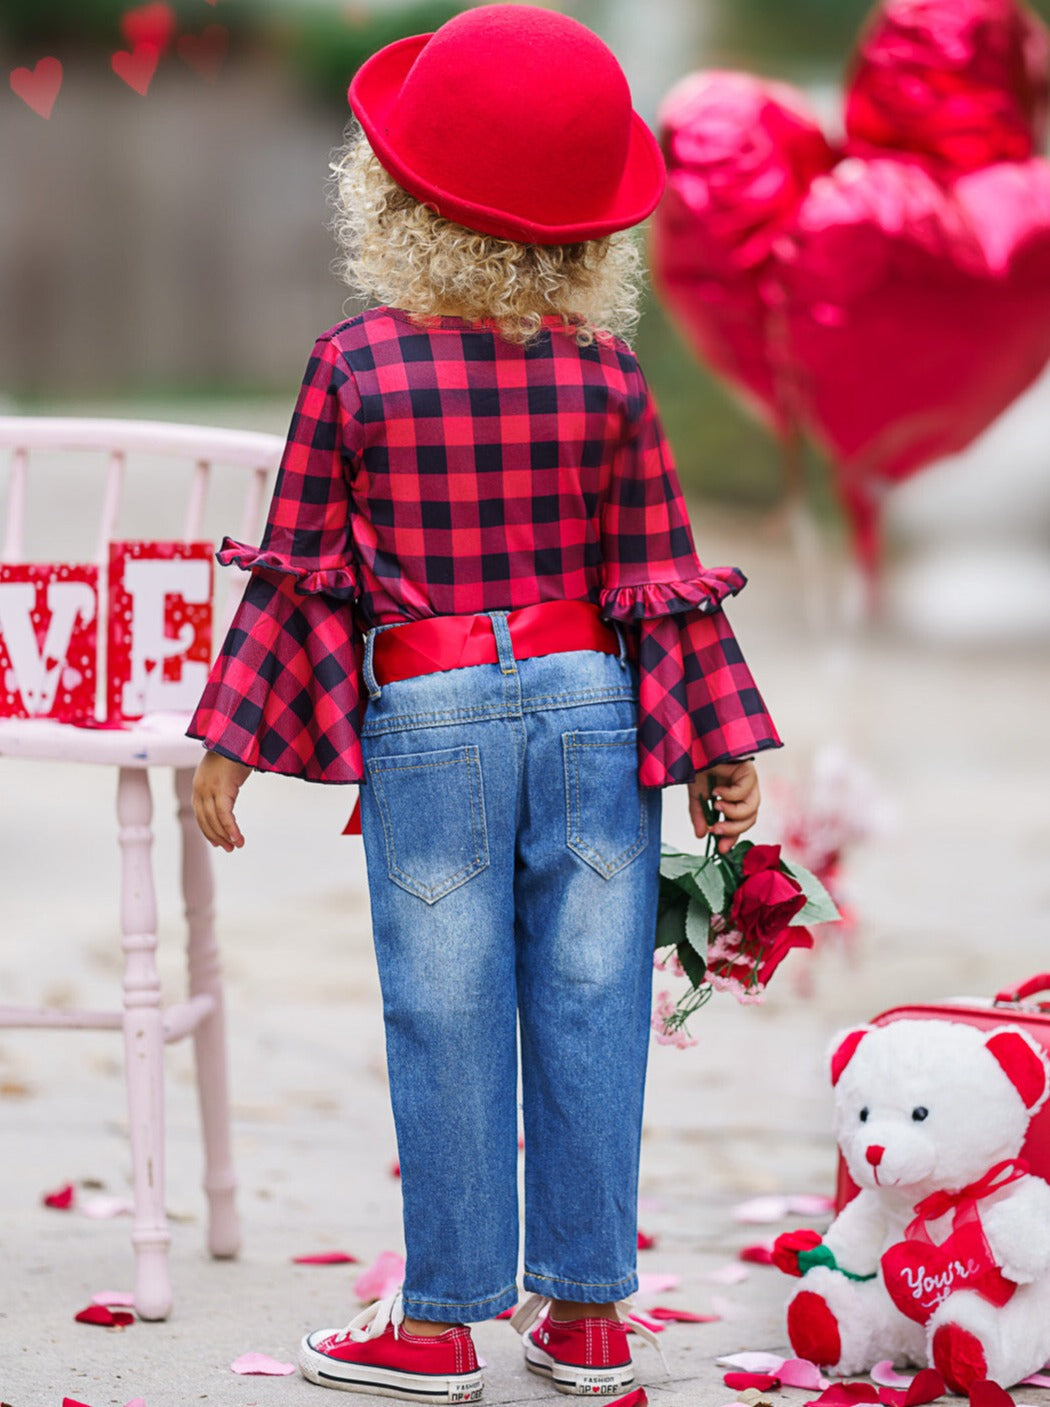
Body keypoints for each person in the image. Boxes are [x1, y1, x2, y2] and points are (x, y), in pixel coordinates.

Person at [188, 6, 780, 1401]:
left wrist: (232, 738)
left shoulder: (355, 368)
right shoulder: (608, 375)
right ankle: (586, 1316)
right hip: (590, 710)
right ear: (587, 238)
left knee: (445, 1012)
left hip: (434, 712)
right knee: (592, 1001)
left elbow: (303, 578)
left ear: (396, 201)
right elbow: (657, 578)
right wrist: (717, 747)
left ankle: (440, 1322)